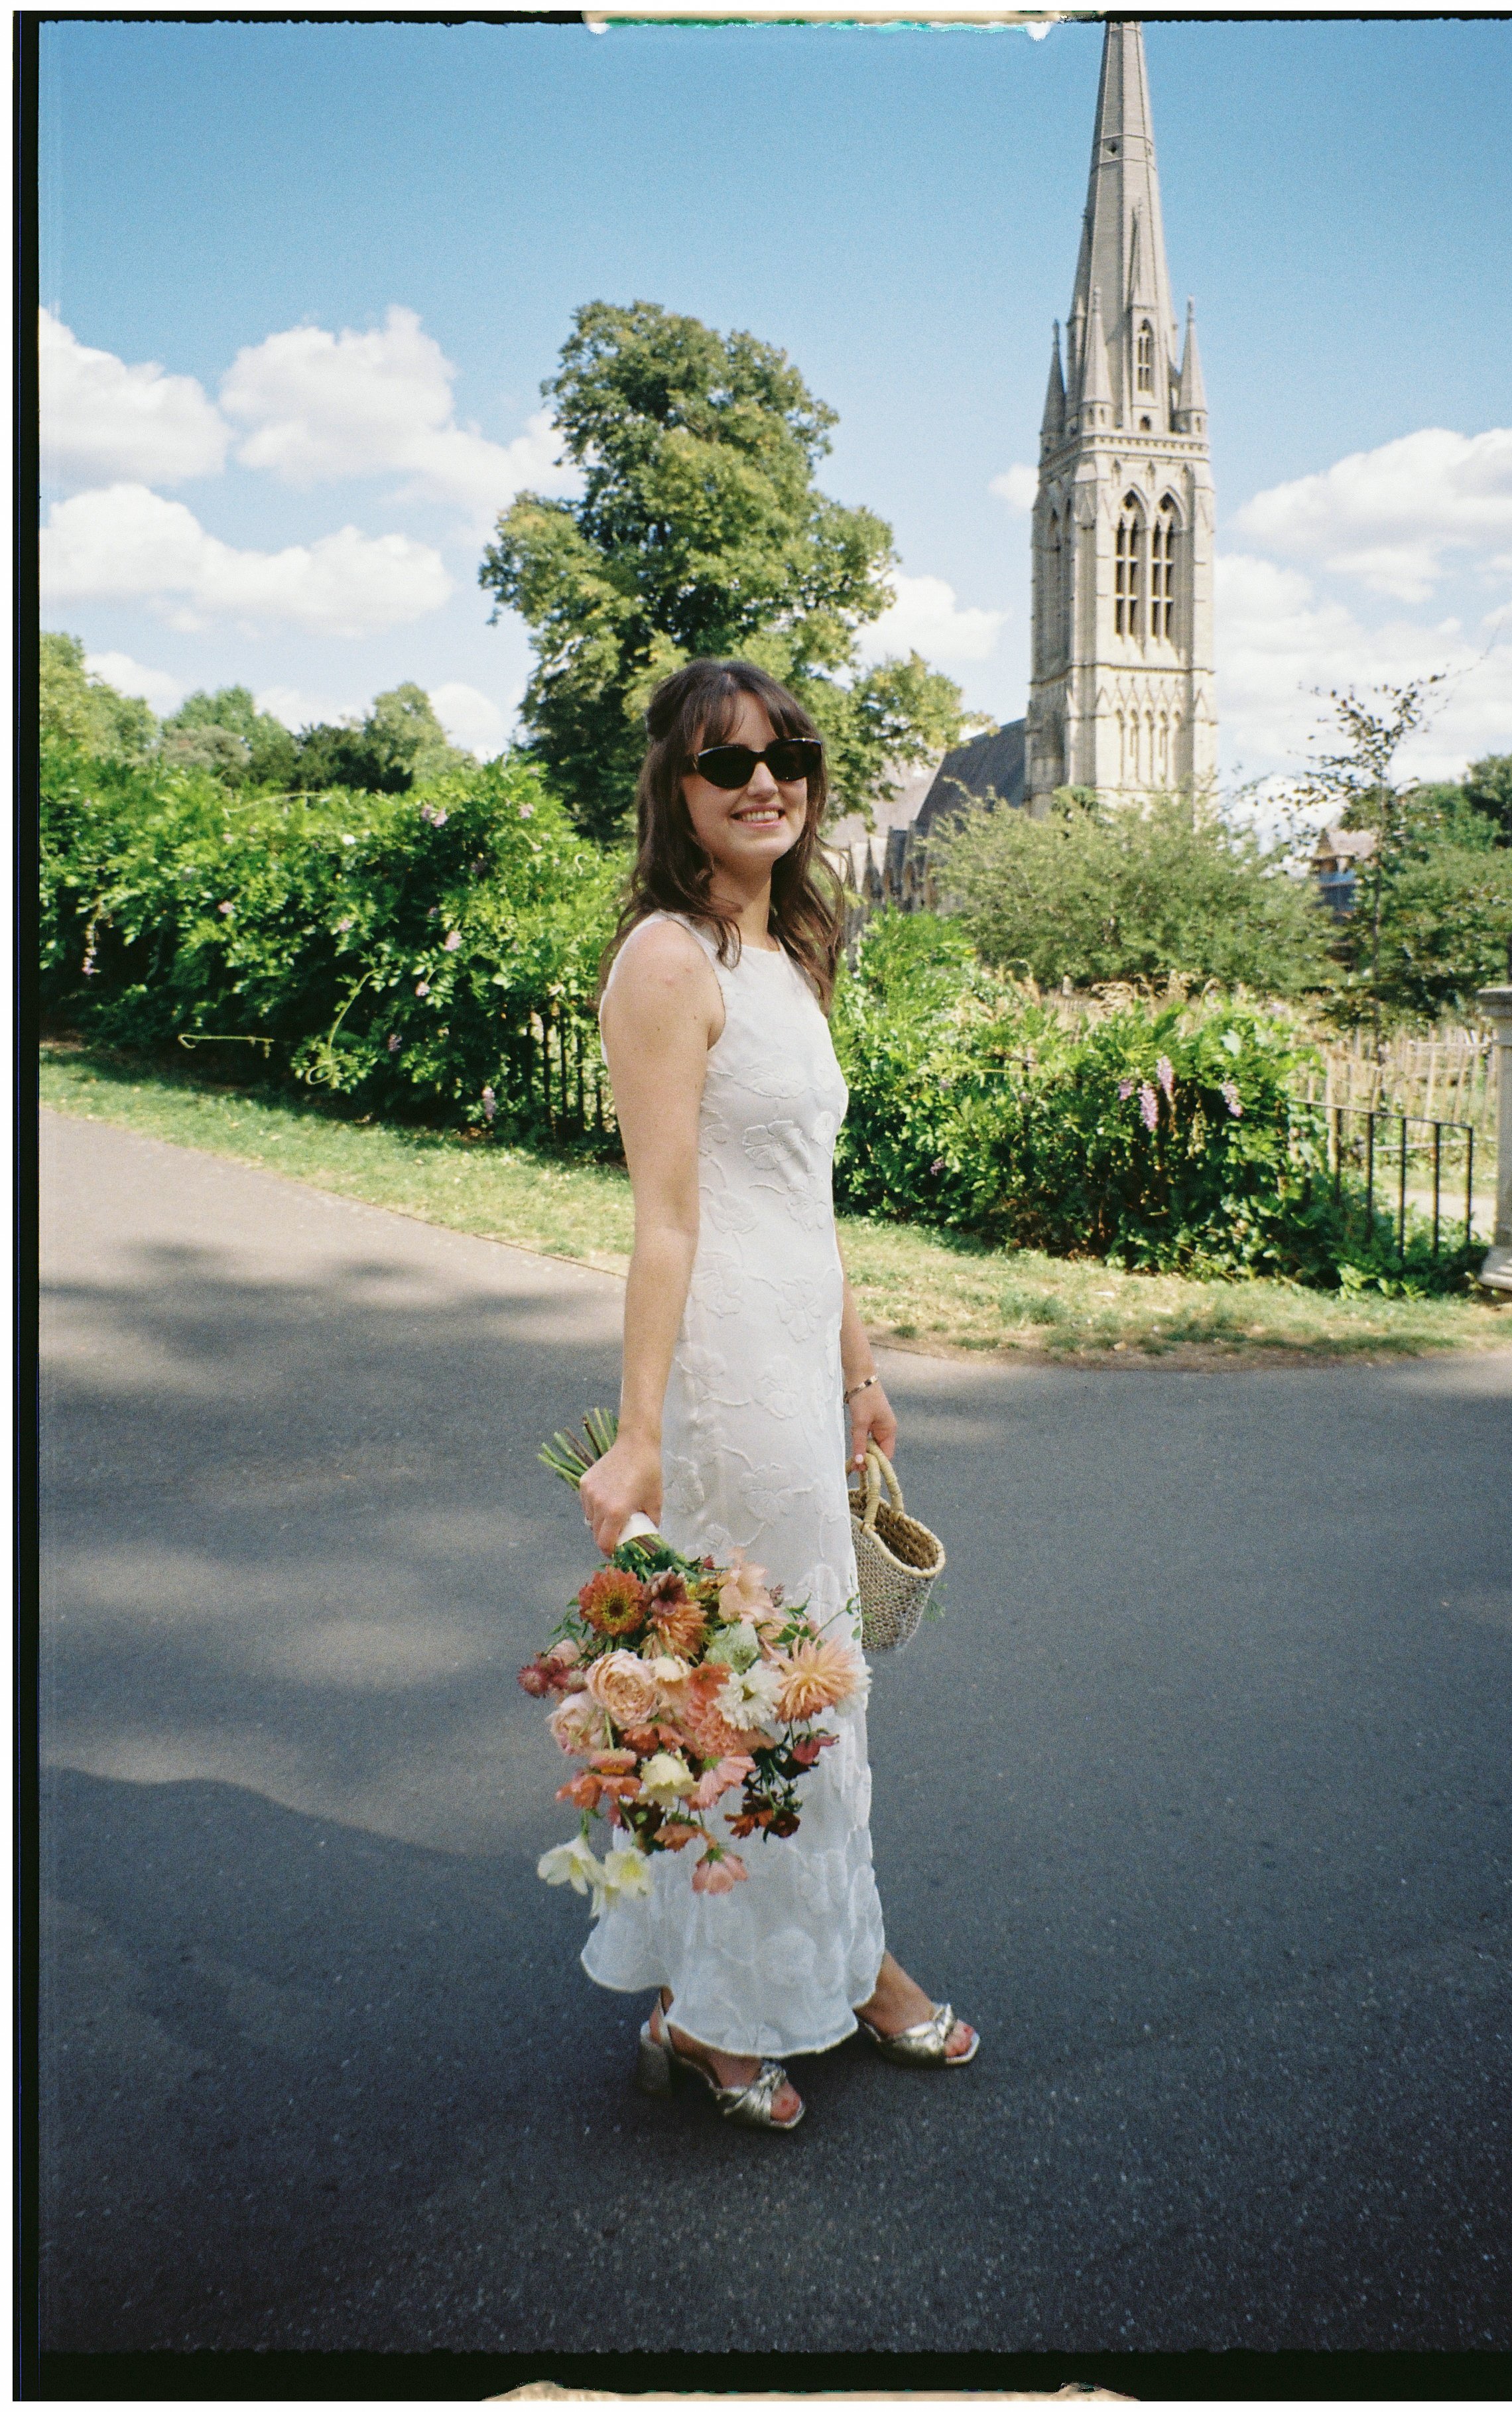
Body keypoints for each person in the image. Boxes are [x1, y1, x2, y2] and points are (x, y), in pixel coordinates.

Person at [574, 657, 978, 2131]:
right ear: (676, 792)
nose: (765, 778)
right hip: (727, 1375)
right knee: (756, 1697)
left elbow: (809, 1204)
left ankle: (840, 1953)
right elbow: (666, 1218)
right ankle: (723, 2008)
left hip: (800, 1359)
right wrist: (634, 1431)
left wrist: (861, 1371)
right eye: (726, 759)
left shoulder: (790, 955)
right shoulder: (666, 961)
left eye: (786, 751)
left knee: (817, 1689)